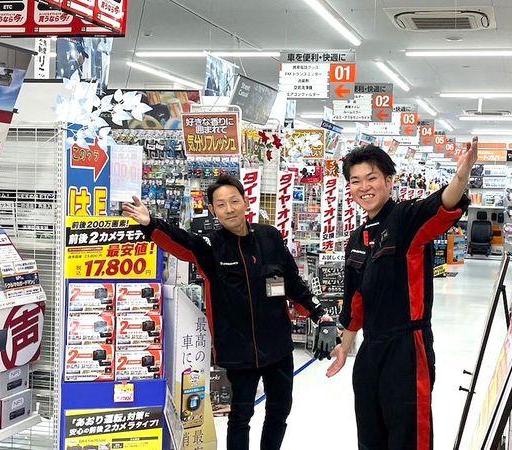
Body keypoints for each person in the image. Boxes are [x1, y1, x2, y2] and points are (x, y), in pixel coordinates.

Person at [122, 175, 333, 450]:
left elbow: (293, 283)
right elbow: (181, 241)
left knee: (280, 410)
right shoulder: (211, 246)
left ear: (246, 201)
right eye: (221, 205)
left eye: (234, 201)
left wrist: (320, 314)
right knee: (240, 417)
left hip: (278, 347)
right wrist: (150, 223)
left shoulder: (269, 237)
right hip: (237, 350)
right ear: (213, 210)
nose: (230, 209)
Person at [326, 138, 478, 449]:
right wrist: (345, 346)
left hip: (407, 349)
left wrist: (461, 176)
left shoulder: (406, 219)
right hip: (371, 351)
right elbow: (355, 301)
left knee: (408, 437)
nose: (364, 187)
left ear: (389, 181)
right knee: (370, 436)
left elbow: (444, 203)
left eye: (371, 178)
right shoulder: (356, 238)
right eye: (355, 181)